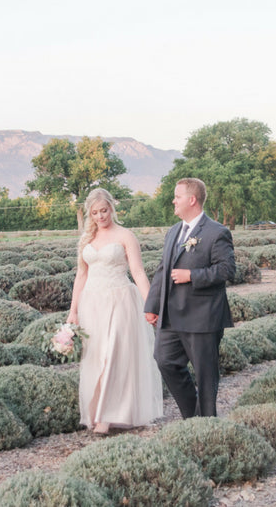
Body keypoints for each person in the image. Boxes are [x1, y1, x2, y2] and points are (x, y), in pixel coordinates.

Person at [67, 188, 163, 434]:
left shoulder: (125, 235)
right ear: (90, 213)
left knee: (113, 355)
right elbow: (81, 274)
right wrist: (73, 310)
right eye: (95, 212)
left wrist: (151, 304)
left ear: (112, 208)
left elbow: (138, 272)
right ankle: (97, 409)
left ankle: (106, 417)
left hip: (120, 300)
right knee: (95, 357)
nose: (100, 216)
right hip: (91, 303)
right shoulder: (87, 238)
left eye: (104, 211)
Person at [144, 177, 235, 418]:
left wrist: (192, 275)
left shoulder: (217, 232)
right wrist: (152, 305)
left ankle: (206, 425)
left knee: (206, 376)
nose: (173, 200)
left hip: (202, 317)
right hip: (171, 316)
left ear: (192, 199)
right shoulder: (173, 231)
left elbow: (227, 270)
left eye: (178, 196)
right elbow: (162, 269)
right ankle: (192, 416)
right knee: (164, 361)